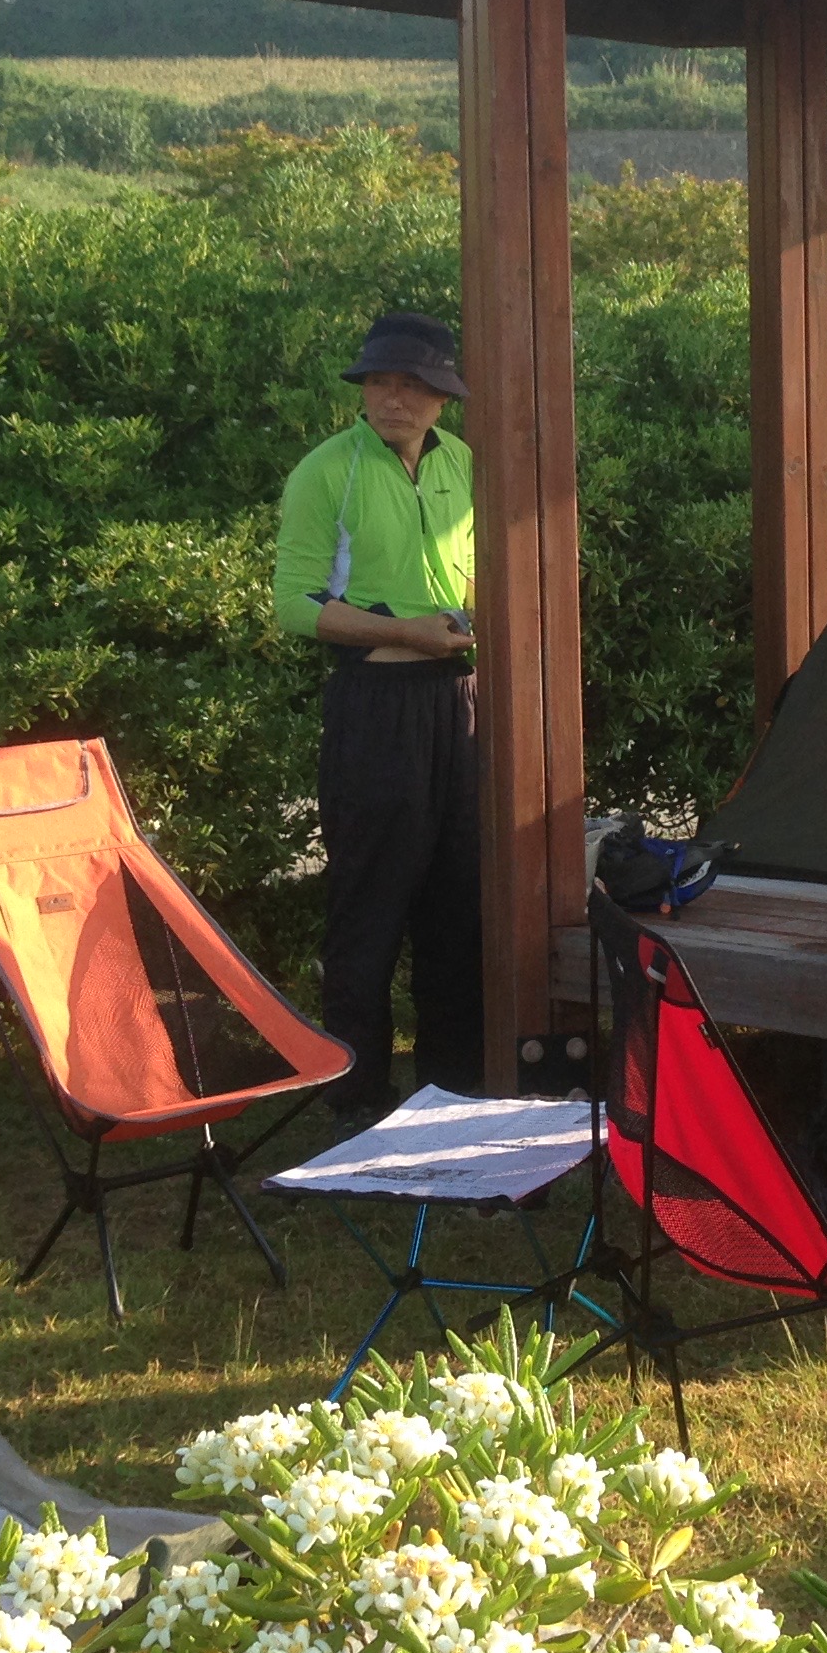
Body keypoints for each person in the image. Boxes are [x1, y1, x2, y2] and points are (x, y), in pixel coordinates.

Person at [272, 309, 482, 1120]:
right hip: (377, 710)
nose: (395, 399)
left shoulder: (462, 462)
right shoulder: (326, 471)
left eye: (414, 385)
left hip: (459, 704)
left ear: (442, 397)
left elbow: (478, 575)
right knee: (369, 903)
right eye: (381, 383)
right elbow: (295, 605)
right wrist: (403, 632)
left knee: (459, 901)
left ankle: (453, 1090)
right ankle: (355, 1099)